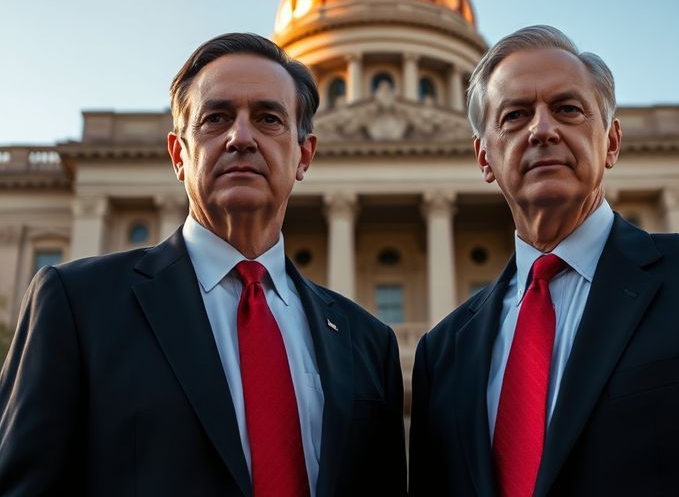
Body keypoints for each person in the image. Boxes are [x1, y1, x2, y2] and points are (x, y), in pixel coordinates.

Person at [0, 33, 407, 496]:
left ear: (304, 155)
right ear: (178, 154)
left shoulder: (367, 343)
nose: (241, 138)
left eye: (268, 118)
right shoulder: (78, 306)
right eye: (216, 118)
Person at [409, 25, 679, 496]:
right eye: (515, 115)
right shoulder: (443, 353)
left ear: (612, 142)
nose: (542, 130)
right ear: (484, 157)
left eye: (567, 109)